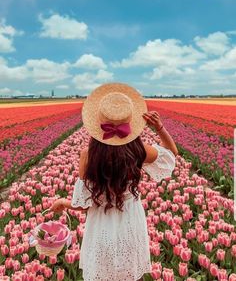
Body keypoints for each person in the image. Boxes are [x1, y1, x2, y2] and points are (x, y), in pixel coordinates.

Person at [50, 83, 178, 281]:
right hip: (130, 220)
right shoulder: (138, 150)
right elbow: (171, 154)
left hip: (100, 224)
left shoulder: (88, 155)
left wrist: (62, 203)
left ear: (97, 125)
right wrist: (159, 128)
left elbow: (83, 205)